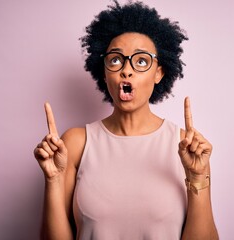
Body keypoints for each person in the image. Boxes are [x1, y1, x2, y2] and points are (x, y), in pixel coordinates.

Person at [34, 1, 219, 239]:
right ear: (104, 72)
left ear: (159, 73)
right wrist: (53, 180)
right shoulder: (75, 143)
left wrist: (197, 179)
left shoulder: (186, 146)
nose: (126, 70)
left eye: (141, 61)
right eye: (115, 60)